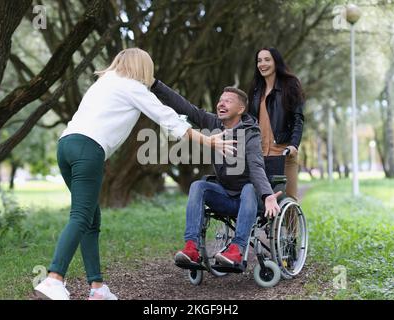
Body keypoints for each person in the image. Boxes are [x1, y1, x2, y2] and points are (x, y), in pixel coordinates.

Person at [34, 48, 236, 300]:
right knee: (80, 217)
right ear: (142, 68)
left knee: (90, 219)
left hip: (66, 146)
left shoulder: (103, 83)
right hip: (88, 149)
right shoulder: (132, 86)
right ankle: (54, 279)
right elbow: (168, 118)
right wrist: (210, 142)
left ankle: (97, 288)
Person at [151, 80, 281, 268]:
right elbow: (185, 107)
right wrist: (155, 85)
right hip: (226, 197)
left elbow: (256, 166)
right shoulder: (213, 123)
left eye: (228, 101)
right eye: (220, 100)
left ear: (240, 109)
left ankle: (237, 249)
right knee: (198, 186)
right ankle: (192, 247)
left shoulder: (251, 133)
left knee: (249, 187)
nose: (221, 104)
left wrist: (268, 195)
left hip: (250, 200)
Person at [248, 47, 305, 201]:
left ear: (276, 62)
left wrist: (294, 144)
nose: (262, 64)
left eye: (267, 59)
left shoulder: (290, 85)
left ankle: (293, 226)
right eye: (259, 61)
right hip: (260, 155)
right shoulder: (255, 90)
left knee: (289, 199)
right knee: (260, 201)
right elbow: (250, 122)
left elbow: (298, 119)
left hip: (283, 153)